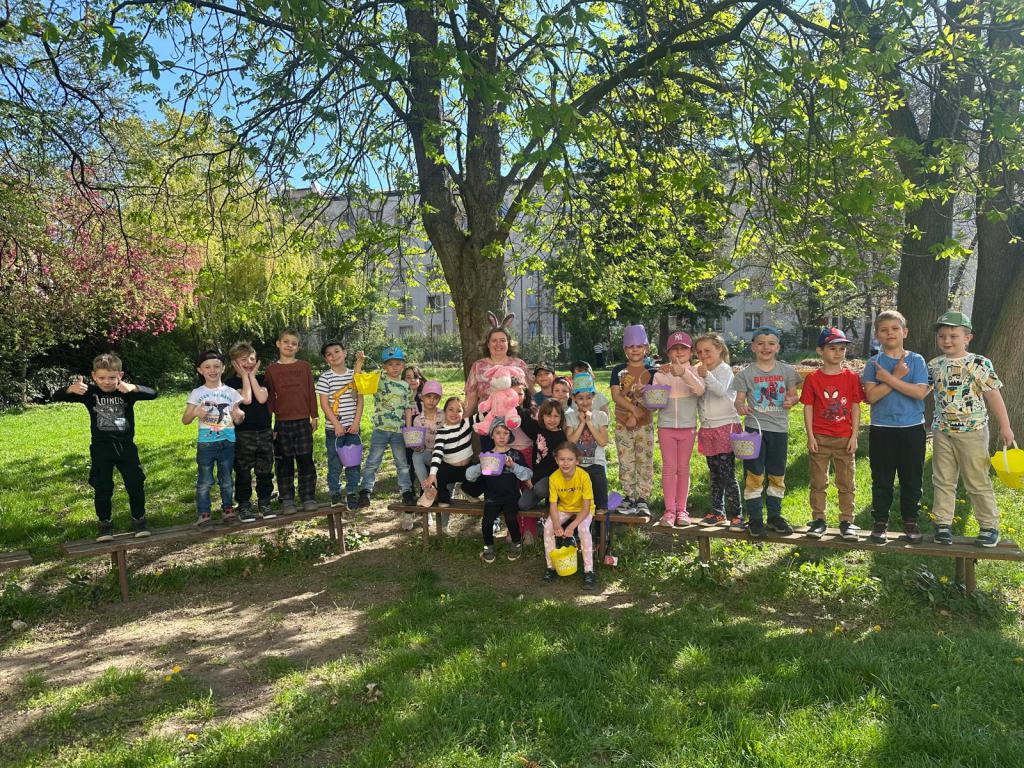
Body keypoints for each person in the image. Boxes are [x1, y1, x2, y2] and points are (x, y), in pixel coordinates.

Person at [928, 311, 1014, 547]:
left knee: (976, 480)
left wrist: (1005, 426)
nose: (947, 340)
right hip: (942, 431)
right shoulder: (934, 365)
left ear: (967, 338)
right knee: (943, 479)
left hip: (973, 432)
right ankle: (942, 524)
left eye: (953, 336)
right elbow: (921, 391)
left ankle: (989, 526)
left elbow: (993, 395)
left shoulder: (978, 363)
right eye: (942, 336)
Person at [55, 353, 158, 541]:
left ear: (120, 375)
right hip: (101, 449)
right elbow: (56, 396)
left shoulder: (125, 392)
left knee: (135, 483)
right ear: (94, 376)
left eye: (112, 377)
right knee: (102, 487)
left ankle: (139, 521)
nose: (107, 382)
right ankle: (105, 525)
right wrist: (70, 389)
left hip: (126, 448)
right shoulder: (89, 393)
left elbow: (153, 393)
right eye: (102, 378)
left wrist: (133, 387)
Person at [860, 311, 929, 544]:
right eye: (884, 330)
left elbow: (919, 392)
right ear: (877, 335)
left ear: (904, 332)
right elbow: (871, 396)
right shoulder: (873, 363)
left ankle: (910, 520)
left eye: (895, 328)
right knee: (882, 478)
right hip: (882, 428)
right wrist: (897, 376)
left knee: (912, 478)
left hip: (912, 428)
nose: (890, 333)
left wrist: (889, 378)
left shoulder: (916, 360)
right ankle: (880, 521)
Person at [733, 326, 801, 538]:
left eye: (771, 343)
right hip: (755, 431)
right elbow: (738, 400)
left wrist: (791, 400)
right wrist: (741, 407)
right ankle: (755, 518)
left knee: (777, 474)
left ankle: (774, 516)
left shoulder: (786, 371)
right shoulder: (746, 374)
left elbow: (794, 395)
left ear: (778, 347)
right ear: (753, 347)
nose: (766, 347)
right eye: (761, 343)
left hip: (779, 430)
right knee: (753, 475)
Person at [800, 328, 864, 540]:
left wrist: (854, 436)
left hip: (844, 439)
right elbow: (808, 407)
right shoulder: (813, 379)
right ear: (820, 350)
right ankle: (819, 520)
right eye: (832, 348)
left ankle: (847, 521)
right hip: (820, 438)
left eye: (842, 348)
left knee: (846, 482)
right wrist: (810, 436)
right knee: (818, 482)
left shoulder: (851, 377)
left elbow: (855, 406)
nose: (838, 353)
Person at [183, 350, 245, 526]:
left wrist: (239, 415)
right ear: (200, 370)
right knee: (205, 481)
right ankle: (204, 514)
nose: (212, 370)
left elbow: (238, 417)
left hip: (227, 442)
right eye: (207, 367)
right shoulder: (197, 393)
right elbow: (185, 420)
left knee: (226, 479)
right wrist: (195, 413)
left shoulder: (231, 392)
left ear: (223, 368)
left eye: (216, 366)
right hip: (206, 443)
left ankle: (228, 511)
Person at [354, 347, 416, 524]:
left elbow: (408, 408)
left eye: (398, 364)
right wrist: (359, 362)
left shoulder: (406, 386)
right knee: (373, 461)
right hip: (380, 430)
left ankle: (406, 492)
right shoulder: (379, 380)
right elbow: (358, 380)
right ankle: (365, 491)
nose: (395, 367)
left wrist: (408, 429)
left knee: (402, 463)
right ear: (384, 367)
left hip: (398, 432)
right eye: (390, 364)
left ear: (403, 365)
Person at [652, 331, 705, 526]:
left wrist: (683, 373)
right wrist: (645, 394)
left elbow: (700, 390)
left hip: (688, 427)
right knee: (668, 468)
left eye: (683, 348)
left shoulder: (696, 371)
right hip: (665, 427)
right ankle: (669, 511)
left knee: (683, 468)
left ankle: (682, 510)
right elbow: (654, 403)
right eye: (674, 349)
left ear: (691, 351)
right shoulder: (661, 373)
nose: (679, 352)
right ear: (668, 352)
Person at [693, 333, 743, 529]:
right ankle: (718, 512)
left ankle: (737, 515)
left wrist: (706, 375)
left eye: (707, 350)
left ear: (719, 349)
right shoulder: (701, 371)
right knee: (714, 474)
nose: (703, 355)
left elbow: (721, 391)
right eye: (699, 352)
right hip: (708, 428)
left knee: (727, 474)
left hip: (725, 427)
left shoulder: (724, 370)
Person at [266, 329, 319, 513]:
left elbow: (311, 391)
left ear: (298, 347)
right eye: (286, 342)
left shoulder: (304, 367)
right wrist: (269, 424)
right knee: (284, 462)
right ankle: (287, 499)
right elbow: (269, 398)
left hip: (303, 421)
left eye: (294, 343)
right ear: (278, 344)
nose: (290, 345)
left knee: (306, 460)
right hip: (282, 423)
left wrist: (314, 415)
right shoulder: (271, 370)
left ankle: (308, 497)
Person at [465, 419, 531, 563]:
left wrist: (513, 466)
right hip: (492, 497)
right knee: (487, 522)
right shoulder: (486, 455)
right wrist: (480, 466)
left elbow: (527, 474)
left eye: (505, 433)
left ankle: (516, 542)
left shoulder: (515, 454)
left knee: (511, 519)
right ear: (492, 435)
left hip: (511, 496)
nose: (502, 436)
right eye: (498, 433)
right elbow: (469, 476)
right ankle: (488, 546)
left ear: (510, 435)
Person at [610, 324, 658, 516]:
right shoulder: (618, 370)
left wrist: (637, 414)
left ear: (646, 348)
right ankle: (629, 496)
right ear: (625, 350)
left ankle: (642, 498)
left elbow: (655, 398)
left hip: (644, 425)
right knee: (626, 461)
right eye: (630, 346)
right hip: (622, 425)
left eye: (639, 346)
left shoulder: (652, 372)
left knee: (644, 461)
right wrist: (632, 411)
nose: (635, 349)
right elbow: (616, 395)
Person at [226, 342, 276, 523]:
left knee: (265, 470)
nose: (248, 363)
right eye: (243, 360)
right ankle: (244, 504)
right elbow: (246, 399)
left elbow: (261, 398)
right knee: (243, 471)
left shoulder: (261, 379)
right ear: (234, 363)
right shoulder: (230, 384)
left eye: (252, 359)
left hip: (264, 432)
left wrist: (252, 376)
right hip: (243, 434)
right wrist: (245, 377)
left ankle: (265, 502)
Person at [542, 443, 597, 590]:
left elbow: (586, 508)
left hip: (584, 509)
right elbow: (553, 505)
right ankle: (551, 567)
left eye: (570, 459)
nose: (565, 463)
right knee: (548, 527)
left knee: (583, 529)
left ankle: (589, 571)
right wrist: (556, 525)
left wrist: (572, 526)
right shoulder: (554, 478)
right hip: (565, 508)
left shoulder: (584, 476)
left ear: (577, 461)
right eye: (562, 459)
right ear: (556, 460)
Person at [316, 340, 364, 511]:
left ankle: (352, 493)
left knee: (353, 463)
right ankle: (335, 494)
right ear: (326, 359)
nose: (334, 356)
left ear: (344, 353)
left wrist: (356, 422)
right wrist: (336, 424)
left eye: (337, 351)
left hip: (353, 429)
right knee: (335, 464)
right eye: (329, 354)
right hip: (334, 431)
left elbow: (359, 400)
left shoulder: (354, 374)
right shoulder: (325, 378)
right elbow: (324, 405)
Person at [464, 314, 534, 416]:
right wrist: (464, 419)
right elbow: (471, 397)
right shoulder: (478, 366)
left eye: (502, 340)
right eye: (494, 341)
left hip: (515, 418)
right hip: (486, 418)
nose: (498, 344)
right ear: (488, 344)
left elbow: (530, 392)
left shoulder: (519, 365)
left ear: (508, 343)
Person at [423, 397, 484, 506]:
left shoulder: (466, 423)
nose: (454, 413)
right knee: (437, 474)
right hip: (449, 468)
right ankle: (443, 498)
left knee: (485, 473)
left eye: (459, 410)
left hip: (467, 470)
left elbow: (483, 416)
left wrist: (495, 402)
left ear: (463, 413)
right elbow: (437, 453)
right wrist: (432, 474)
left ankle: (466, 490)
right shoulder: (441, 432)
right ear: (444, 412)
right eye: (451, 409)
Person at [518, 399, 569, 511]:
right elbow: (525, 421)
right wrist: (515, 405)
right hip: (538, 476)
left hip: (553, 478)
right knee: (523, 505)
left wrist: (533, 481)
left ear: (561, 418)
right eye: (548, 416)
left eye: (556, 416)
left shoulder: (561, 438)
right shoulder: (538, 429)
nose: (552, 420)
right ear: (542, 416)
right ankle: (546, 496)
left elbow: (551, 465)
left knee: (540, 489)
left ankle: (554, 498)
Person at [411, 380, 444, 526]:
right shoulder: (418, 420)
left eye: (436, 397)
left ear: (439, 399)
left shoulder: (444, 415)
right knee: (416, 456)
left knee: (446, 485)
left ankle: (444, 523)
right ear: (422, 397)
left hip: (443, 456)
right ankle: (428, 490)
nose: (432, 400)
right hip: (426, 453)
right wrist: (416, 447)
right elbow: (417, 442)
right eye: (428, 396)